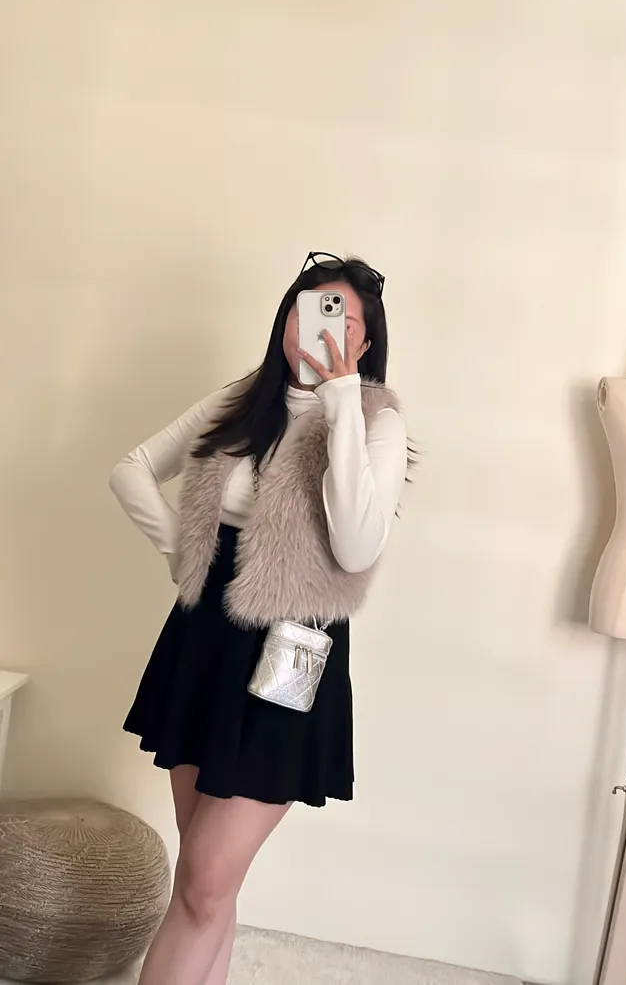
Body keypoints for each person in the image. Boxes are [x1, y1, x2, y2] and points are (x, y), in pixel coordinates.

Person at [110, 251, 408, 985]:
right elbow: (130, 470)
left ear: (365, 341)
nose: (323, 329)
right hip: (206, 640)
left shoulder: (376, 421)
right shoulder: (241, 400)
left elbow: (356, 544)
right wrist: (183, 552)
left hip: (292, 651)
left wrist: (341, 400)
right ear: (286, 318)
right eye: (311, 310)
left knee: (204, 882)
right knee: (205, 884)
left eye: (344, 321)